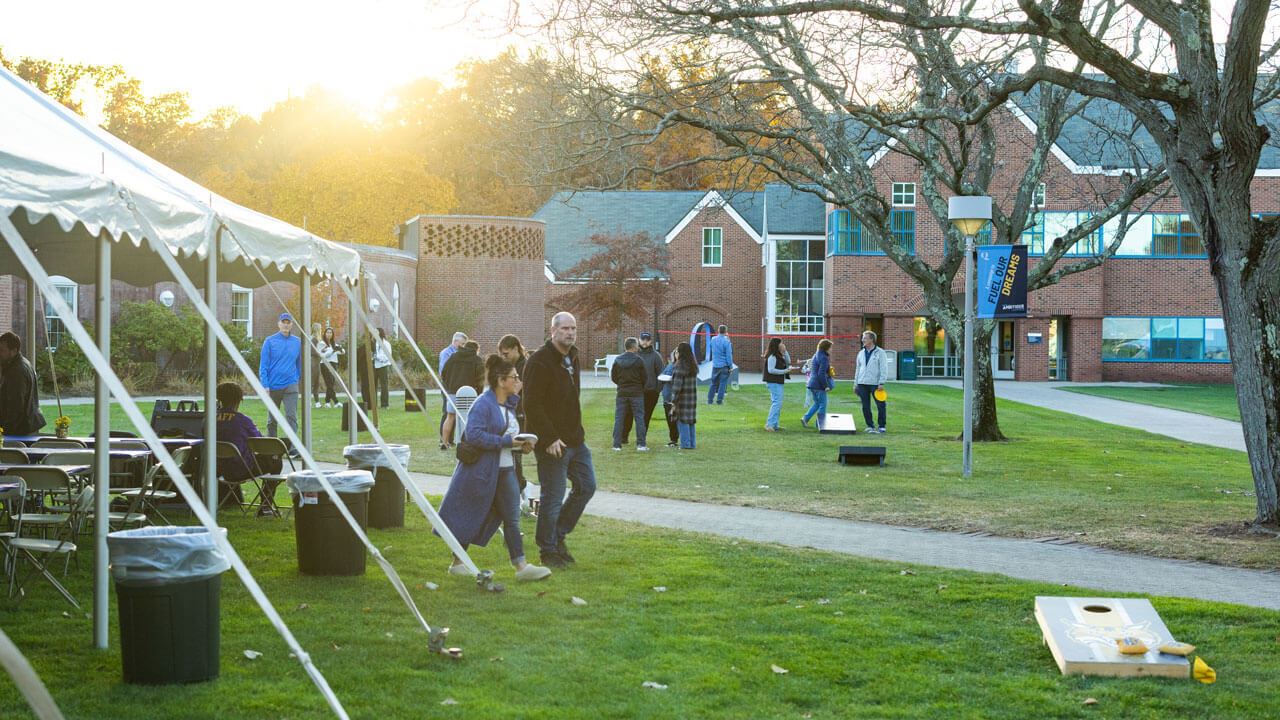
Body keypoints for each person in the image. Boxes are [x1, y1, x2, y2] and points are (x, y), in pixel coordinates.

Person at [437, 354, 551, 582]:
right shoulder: (483, 404)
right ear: (501, 381)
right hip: (483, 472)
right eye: (514, 377)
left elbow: (507, 438)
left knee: (511, 518)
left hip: (506, 470)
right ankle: (458, 561)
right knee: (471, 513)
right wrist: (508, 442)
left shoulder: (508, 405)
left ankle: (521, 567)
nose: (518, 381)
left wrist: (521, 446)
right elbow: (474, 435)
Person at [523, 312, 596, 568]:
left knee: (587, 486)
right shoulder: (539, 362)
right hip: (552, 443)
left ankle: (558, 536)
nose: (570, 332)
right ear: (552, 330)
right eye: (565, 328)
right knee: (552, 498)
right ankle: (548, 551)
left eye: (573, 328)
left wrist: (574, 432)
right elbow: (531, 403)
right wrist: (549, 437)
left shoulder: (572, 357)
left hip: (575, 440)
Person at [214, 381, 284, 514]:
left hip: (218, 468)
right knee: (275, 458)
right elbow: (264, 445)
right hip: (241, 469)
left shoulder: (209, 419)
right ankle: (266, 506)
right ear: (239, 400)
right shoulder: (242, 420)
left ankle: (229, 501)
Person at [259, 312, 302, 455]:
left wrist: (298, 378)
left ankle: (294, 448)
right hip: (273, 386)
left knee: (292, 417)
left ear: (291, 325)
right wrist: (265, 385)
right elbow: (263, 366)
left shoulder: (297, 342)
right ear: (278, 324)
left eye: (288, 322)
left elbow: (299, 363)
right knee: (272, 419)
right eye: (283, 322)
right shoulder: (269, 341)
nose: (286, 324)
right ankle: (272, 448)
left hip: (291, 384)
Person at [497, 334, 529, 489]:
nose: (504, 358)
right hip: (516, 411)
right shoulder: (515, 366)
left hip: (521, 412)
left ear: (516, 349)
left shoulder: (524, 366)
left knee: (515, 451)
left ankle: (519, 485)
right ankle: (518, 484)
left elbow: (516, 388)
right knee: (513, 453)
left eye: (506, 354)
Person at [621, 332, 664, 444]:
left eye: (647, 340)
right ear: (639, 340)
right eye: (642, 339)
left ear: (650, 341)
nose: (645, 342)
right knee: (628, 414)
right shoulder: (633, 354)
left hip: (650, 392)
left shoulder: (656, 356)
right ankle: (623, 437)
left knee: (645, 417)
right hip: (634, 390)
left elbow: (661, 374)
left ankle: (641, 439)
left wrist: (657, 390)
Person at [0, 331, 46, 435]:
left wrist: (6, 430)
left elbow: (16, 404)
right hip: (26, 425)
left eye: (2, 350)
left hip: (20, 429)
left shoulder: (16, 371)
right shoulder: (22, 363)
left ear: (14, 351)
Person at [441, 340, 484, 449]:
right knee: (469, 418)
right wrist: (479, 393)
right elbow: (480, 379)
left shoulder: (453, 357)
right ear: (476, 350)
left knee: (450, 417)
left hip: (452, 392)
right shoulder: (476, 360)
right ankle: (467, 442)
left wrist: (449, 386)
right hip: (469, 394)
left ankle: (444, 442)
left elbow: (444, 373)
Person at [610, 337, 648, 451]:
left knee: (619, 419)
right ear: (633, 347)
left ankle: (616, 445)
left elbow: (614, 377)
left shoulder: (618, 360)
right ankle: (641, 444)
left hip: (622, 392)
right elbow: (644, 377)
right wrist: (638, 386)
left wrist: (622, 384)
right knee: (639, 418)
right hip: (636, 393)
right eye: (637, 345)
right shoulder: (639, 360)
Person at [855, 330, 890, 434]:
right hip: (862, 383)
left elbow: (884, 368)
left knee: (881, 405)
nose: (862, 340)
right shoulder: (861, 353)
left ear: (871, 340)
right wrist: (855, 384)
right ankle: (869, 425)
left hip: (875, 384)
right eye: (862, 338)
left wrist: (881, 382)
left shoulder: (880, 352)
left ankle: (882, 426)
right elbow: (858, 369)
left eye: (865, 338)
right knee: (865, 406)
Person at [437, 332, 467, 448]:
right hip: (448, 386)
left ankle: (450, 439)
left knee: (455, 413)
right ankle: (442, 439)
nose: (464, 346)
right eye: (462, 344)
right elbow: (443, 371)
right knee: (447, 412)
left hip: (456, 386)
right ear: (455, 342)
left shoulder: (459, 354)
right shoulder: (446, 353)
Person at [670, 342, 699, 449]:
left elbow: (677, 387)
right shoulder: (693, 366)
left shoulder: (680, 366)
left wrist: (673, 401)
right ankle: (692, 444)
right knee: (690, 421)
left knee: (682, 421)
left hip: (682, 399)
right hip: (691, 398)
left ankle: (685, 444)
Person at [801, 339, 834, 430]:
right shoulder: (824, 358)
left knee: (817, 403)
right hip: (819, 385)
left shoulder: (816, 355)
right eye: (830, 347)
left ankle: (805, 418)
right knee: (823, 404)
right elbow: (821, 373)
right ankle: (820, 424)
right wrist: (826, 386)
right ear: (826, 348)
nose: (831, 349)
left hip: (812, 384)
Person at [762, 337, 791, 431]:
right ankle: (769, 424)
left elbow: (788, 361)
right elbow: (771, 370)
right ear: (776, 345)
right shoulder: (772, 356)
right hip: (773, 382)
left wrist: (785, 351)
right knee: (776, 403)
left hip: (778, 381)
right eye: (781, 343)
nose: (782, 344)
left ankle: (774, 424)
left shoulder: (779, 355)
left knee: (777, 402)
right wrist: (784, 371)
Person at [316, 327, 343, 408]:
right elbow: (323, 355)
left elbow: (342, 352)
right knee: (329, 383)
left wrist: (339, 349)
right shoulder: (321, 344)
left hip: (334, 363)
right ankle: (336, 402)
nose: (329, 334)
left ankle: (327, 402)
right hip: (325, 364)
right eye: (327, 332)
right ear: (325, 334)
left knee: (331, 383)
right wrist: (332, 351)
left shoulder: (334, 343)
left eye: (330, 333)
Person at [658, 349, 680, 448]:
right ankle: (673, 439)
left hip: (676, 399)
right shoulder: (670, 366)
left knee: (676, 420)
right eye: (675, 353)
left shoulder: (682, 367)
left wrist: (670, 378)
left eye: (678, 353)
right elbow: (661, 376)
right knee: (670, 420)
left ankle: (677, 439)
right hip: (667, 398)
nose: (676, 355)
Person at [707, 324, 733, 405]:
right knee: (723, 384)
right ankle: (719, 401)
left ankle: (710, 401)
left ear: (718, 330)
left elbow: (711, 348)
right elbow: (729, 355)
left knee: (713, 383)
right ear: (726, 332)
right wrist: (731, 366)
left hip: (715, 365)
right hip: (724, 365)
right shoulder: (726, 342)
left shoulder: (713, 339)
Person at [373, 328, 393, 409]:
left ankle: (384, 404)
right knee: (373, 386)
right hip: (374, 366)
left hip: (383, 366)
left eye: (376, 332)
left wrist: (377, 357)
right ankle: (373, 404)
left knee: (384, 385)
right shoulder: (373, 343)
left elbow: (387, 356)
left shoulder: (386, 344)